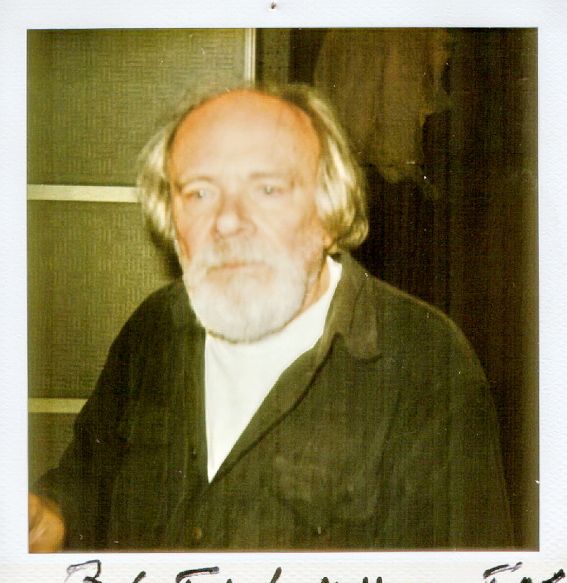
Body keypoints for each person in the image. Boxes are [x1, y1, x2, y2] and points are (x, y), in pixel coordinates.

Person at [29, 83, 513, 552]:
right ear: (172, 222)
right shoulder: (155, 328)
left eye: (267, 189)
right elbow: (89, 478)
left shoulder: (426, 364)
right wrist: (57, 515)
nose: (227, 221)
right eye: (199, 193)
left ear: (329, 215)